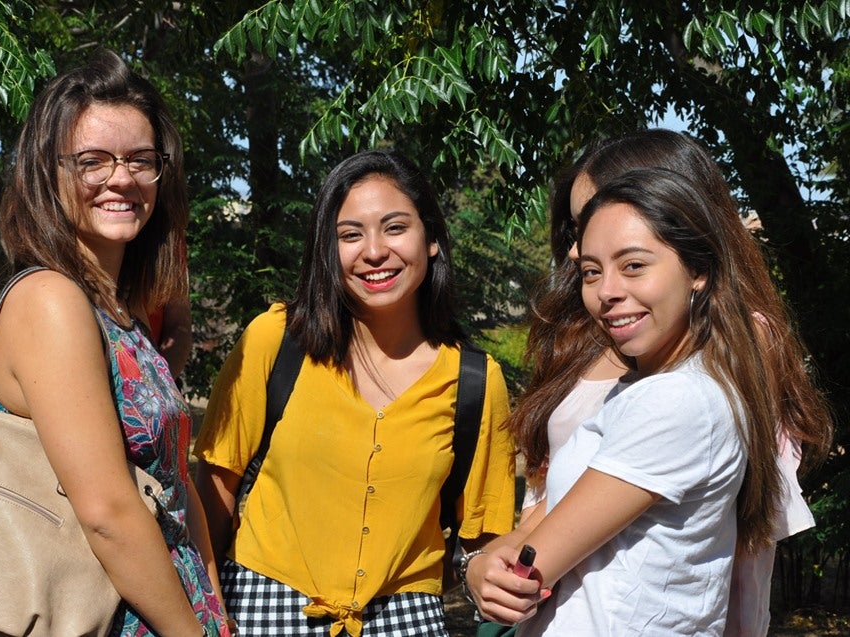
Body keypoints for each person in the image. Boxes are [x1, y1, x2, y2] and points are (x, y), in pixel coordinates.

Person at [469, 130, 833, 636]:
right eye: (580, 236)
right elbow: (558, 501)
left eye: (631, 258)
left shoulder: (699, 380)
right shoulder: (624, 348)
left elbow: (734, 549)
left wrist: (496, 563)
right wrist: (487, 561)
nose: (578, 254)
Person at [193, 150, 515, 636]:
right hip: (262, 607)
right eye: (350, 235)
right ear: (329, 250)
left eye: (395, 227)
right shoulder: (277, 340)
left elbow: (484, 539)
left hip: (407, 619)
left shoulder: (476, 381)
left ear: (430, 239)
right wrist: (206, 615)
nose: (374, 251)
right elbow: (214, 492)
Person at [0, 49, 228, 637]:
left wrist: (214, 611)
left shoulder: (115, 310)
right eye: (92, 161)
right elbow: (107, 515)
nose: (120, 178)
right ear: (49, 172)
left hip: (174, 611)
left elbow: (173, 481)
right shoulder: (51, 301)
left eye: (140, 160)